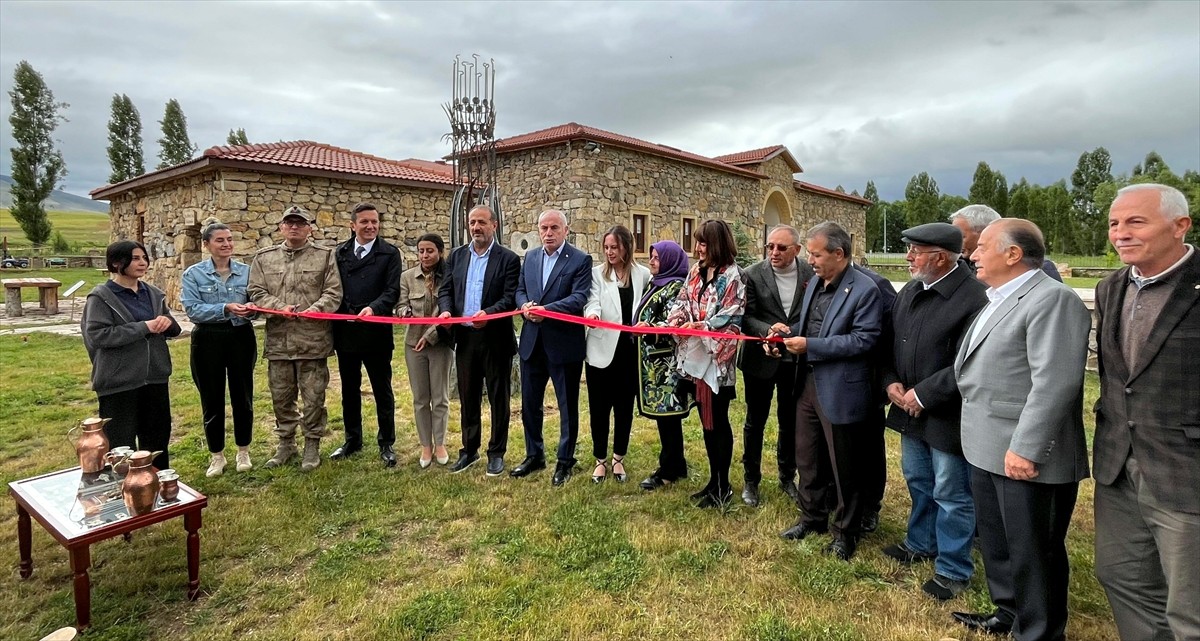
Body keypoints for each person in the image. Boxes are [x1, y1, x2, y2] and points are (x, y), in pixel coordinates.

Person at [951, 218, 1090, 640]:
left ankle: (1040, 631)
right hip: (987, 445)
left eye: (983, 246)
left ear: (1013, 254)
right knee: (1000, 543)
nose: (973, 253)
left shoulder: (1052, 299)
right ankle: (1009, 612)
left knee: (1034, 550)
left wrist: (1027, 447)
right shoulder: (999, 296)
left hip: (1024, 454)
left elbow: (1055, 381)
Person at [1093, 183, 1198, 641]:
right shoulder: (1112, 287)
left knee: (1190, 606)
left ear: (1180, 226)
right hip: (1118, 464)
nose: (1121, 233)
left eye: (1136, 221)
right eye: (1114, 223)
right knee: (1123, 578)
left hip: (1186, 472)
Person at [878, 223, 987, 600]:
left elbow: (969, 362)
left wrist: (923, 395)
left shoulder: (975, 297)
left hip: (947, 415)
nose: (908, 257)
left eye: (915, 251)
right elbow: (891, 343)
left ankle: (953, 568)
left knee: (952, 492)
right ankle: (921, 542)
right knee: (918, 479)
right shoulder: (911, 290)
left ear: (940, 258)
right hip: (909, 410)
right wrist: (890, 381)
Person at [775, 221, 882, 561]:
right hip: (807, 383)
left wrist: (810, 345)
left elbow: (864, 340)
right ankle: (812, 518)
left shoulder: (865, 290)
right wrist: (785, 334)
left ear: (839, 253)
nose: (810, 260)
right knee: (807, 458)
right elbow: (809, 326)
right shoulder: (815, 284)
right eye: (809, 253)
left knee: (845, 467)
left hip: (840, 389)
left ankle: (846, 533)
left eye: (816, 254)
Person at [247, 205, 343, 472]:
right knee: (281, 396)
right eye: (289, 223)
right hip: (280, 341)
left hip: (312, 340)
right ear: (281, 227)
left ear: (309, 228)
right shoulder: (264, 258)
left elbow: (334, 292)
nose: (294, 227)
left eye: (300, 223)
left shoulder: (325, 256)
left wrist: (316, 310)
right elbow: (256, 291)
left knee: (313, 397)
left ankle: (312, 443)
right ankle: (286, 443)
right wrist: (280, 307)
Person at [82, 240, 182, 471]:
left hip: (155, 379)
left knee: (157, 443)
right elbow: (98, 336)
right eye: (136, 258)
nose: (143, 263)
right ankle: (124, 488)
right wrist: (144, 327)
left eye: (144, 258)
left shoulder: (154, 294)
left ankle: (159, 486)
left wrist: (167, 322)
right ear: (118, 263)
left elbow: (174, 329)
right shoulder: (100, 297)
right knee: (121, 447)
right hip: (119, 382)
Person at [666, 219, 745, 509]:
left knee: (718, 422)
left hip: (716, 362)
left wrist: (700, 326)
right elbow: (682, 301)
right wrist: (677, 321)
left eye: (703, 243)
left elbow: (732, 315)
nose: (698, 248)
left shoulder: (733, 276)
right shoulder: (695, 272)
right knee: (705, 423)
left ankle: (723, 485)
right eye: (698, 242)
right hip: (695, 358)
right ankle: (713, 481)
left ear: (717, 244)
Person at [438, 204, 521, 476]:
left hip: (495, 337)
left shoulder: (508, 259)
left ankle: (496, 453)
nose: (476, 227)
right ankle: (469, 450)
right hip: (465, 338)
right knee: (468, 396)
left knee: (498, 398)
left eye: (482, 222)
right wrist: (446, 310)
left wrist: (490, 314)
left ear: (494, 225)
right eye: (472, 222)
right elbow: (446, 290)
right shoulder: (457, 256)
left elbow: (509, 297)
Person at [513, 209, 592, 486]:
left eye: (554, 228)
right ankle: (534, 455)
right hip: (532, 343)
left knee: (567, 407)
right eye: (544, 228)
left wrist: (546, 311)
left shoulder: (580, 260)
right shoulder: (531, 257)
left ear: (565, 230)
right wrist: (524, 305)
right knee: (529, 404)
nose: (548, 233)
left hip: (563, 344)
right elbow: (520, 290)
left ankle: (564, 461)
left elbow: (579, 297)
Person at [738, 224, 813, 506]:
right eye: (770, 246)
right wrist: (768, 331)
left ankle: (787, 476)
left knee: (790, 421)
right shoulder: (752, 274)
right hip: (759, 359)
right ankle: (751, 480)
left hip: (794, 359)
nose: (774, 252)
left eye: (781, 247)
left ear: (797, 249)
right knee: (754, 422)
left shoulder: (810, 273)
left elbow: (814, 312)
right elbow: (745, 316)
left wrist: (792, 331)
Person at [181, 218, 258, 477]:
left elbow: (257, 303)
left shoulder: (247, 272)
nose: (226, 244)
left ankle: (243, 450)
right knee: (211, 398)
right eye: (220, 240)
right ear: (206, 244)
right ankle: (217, 455)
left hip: (240, 337)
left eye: (229, 239)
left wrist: (252, 310)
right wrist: (225, 308)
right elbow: (193, 310)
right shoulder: (193, 274)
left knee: (243, 396)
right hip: (207, 339)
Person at [330, 203, 402, 467]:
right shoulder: (340, 253)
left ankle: (386, 443)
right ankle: (352, 439)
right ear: (353, 225)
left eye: (374, 222)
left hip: (376, 332)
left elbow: (392, 290)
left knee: (382, 390)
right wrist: (347, 311)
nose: (370, 226)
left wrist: (373, 308)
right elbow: (334, 287)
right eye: (364, 222)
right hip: (346, 332)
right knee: (349, 389)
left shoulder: (390, 253)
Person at [584, 225, 651, 483]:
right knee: (599, 409)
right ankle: (600, 460)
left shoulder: (642, 275)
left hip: (629, 352)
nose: (610, 252)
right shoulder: (596, 274)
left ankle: (618, 458)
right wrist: (592, 315)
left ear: (627, 247)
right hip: (601, 351)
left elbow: (648, 306)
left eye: (615, 247)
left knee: (624, 408)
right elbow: (592, 300)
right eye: (606, 247)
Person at [634, 241, 693, 490]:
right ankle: (677, 464)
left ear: (670, 260)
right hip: (653, 364)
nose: (652, 261)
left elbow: (675, 323)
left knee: (669, 417)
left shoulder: (675, 287)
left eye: (657, 257)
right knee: (665, 419)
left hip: (666, 366)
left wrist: (651, 328)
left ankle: (669, 470)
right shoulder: (657, 284)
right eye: (651, 256)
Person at [400, 233, 453, 469]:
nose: (424, 255)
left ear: (440, 252)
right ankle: (425, 445)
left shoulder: (449, 276)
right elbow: (401, 303)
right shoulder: (407, 277)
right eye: (421, 251)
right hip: (413, 344)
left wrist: (430, 336)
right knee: (420, 398)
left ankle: (440, 443)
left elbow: (447, 309)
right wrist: (403, 312)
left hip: (439, 343)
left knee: (440, 397)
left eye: (429, 251)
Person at [949, 204, 1062, 281]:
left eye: (961, 236)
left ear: (986, 231)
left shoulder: (1035, 269)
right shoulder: (959, 265)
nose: (955, 242)